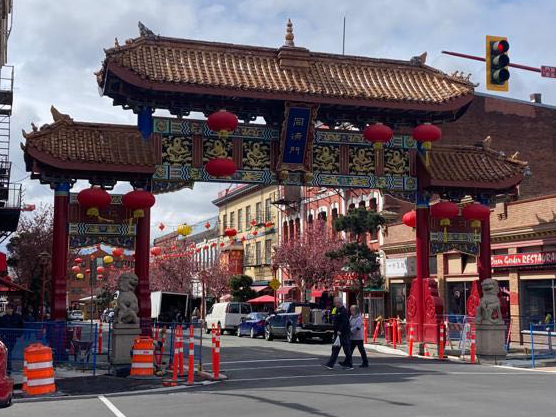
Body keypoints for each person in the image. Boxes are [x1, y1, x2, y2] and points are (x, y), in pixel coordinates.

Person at [324, 297, 353, 370]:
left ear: (339, 302)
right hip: (337, 333)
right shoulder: (337, 310)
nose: (334, 304)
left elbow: (345, 322)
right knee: (335, 348)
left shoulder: (344, 311)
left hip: (343, 333)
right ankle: (330, 364)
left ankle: (349, 364)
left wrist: (340, 330)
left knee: (346, 349)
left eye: (335, 302)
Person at [0, 303, 24, 374]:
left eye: (8, 309)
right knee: (7, 352)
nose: (7, 310)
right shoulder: (3, 317)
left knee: (8, 352)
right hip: (5, 337)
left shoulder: (17, 317)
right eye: (7, 309)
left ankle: (8, 369)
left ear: (12, 309)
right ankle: (7, 369)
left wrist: (18, 334)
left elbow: (21, 325)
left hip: (12, 337)